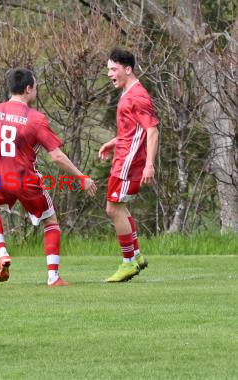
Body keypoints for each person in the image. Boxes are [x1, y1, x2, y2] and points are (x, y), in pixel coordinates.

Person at [0, 68, 97, 287]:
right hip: (26, 181)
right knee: (50, 222)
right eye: (36, 87)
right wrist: (82, 178)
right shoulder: (36, 119)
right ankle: (53, 277)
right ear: (28, 89)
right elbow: (57, 157)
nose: (37, 90)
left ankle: (2, 252)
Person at [99, 48, 159, 282]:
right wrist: (112, 143)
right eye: (108, 69)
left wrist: (149, 166)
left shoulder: (137, 96)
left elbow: (151, 130)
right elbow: (131, 130)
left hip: (129, 163)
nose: (109, 74)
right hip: (123, 157)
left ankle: (128, 263)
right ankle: (137, 256)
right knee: (120, 208)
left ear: (128, 69)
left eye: (113, 69)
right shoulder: (127, 92)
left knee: (113, 209)